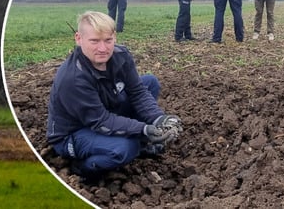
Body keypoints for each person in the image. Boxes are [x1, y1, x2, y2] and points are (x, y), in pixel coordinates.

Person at [46, 11, 182, 178]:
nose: (103, 48)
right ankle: (83, 168)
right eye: (94, 41)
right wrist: (143, 129)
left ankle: (138, 143)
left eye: (108, 40)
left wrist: (159, 118)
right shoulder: (73, 78)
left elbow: (138, 92)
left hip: (104, 111)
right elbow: (101, 121)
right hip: (75, 132)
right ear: (79, 39)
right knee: (125, 148)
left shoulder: (121, 55)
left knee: (149, 83)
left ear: (114, 37)